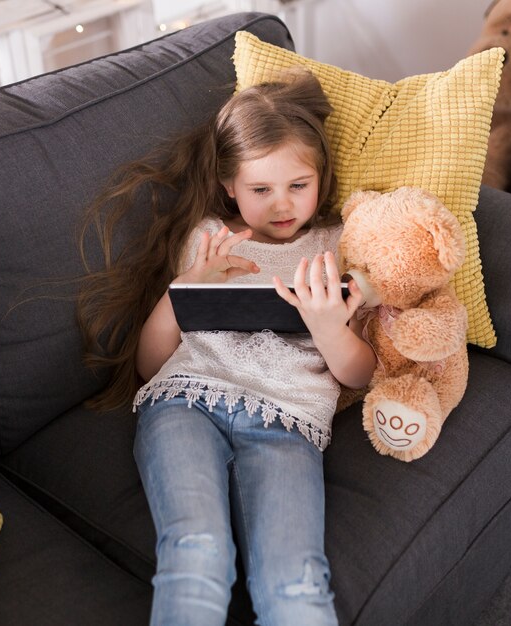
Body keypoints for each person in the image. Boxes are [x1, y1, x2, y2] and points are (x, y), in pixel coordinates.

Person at [77, 69, 376, 626]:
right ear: (228, 186)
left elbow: (360, 374)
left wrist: (330, 326)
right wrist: (184, 292)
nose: (281, 204)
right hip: (186, 403)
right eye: (260, 189)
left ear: (321, 177)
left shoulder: (338, 245)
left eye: (298, 185)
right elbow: (149, 365)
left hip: (288, 423)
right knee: (197, 551)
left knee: (297, 583)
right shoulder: (209, 239)